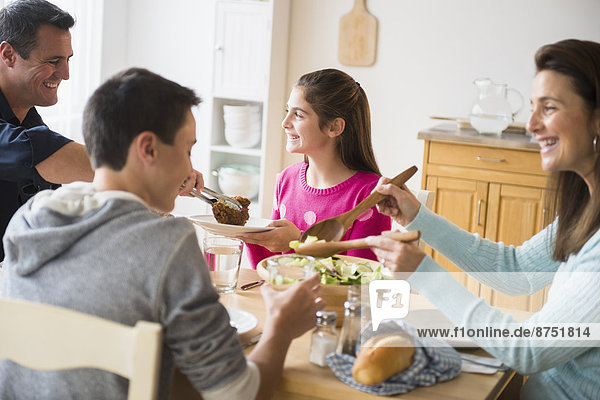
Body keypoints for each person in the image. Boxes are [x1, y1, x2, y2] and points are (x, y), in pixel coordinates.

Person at [0, 67, 325, 400]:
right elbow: (238, 394)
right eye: (186, 150)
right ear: (149, 149)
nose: (189, 168)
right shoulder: (169, 243)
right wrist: (280, 330)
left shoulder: (30, 220)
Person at [366, 39, 600, 400]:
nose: (532, 125)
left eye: (549, 108)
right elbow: (517, 270)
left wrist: (423, 273)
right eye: (534, 107)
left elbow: (529, 350)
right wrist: (417, 217)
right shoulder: (587, 209)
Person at [242, 68, 391, 267]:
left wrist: (299, 242)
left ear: (334, 127)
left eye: (298, 115)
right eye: (288, 111)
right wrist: (248, 233)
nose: (285, 123)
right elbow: (271, 266)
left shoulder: (370, 196)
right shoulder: (287, 179)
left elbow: (361, 278)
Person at [0, 0, 94, 262]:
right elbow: (34, 151)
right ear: (8, 55)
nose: (65, 74)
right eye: (54, 61)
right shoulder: (29, 135)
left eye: (67, 60)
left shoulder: (28, 118)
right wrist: (143, 173)